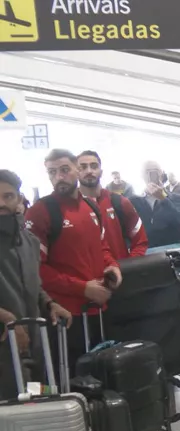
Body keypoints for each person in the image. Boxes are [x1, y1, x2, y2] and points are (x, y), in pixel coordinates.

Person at [25, 149, 124, 379]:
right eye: (52, 172)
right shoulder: (40, 212)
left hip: (98, 312)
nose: (59, 176)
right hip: (65, 317)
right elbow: (36, 269)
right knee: (71, 384)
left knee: (102, 380)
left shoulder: (91, 207)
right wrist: (82, 288)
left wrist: (113, 267)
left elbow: (103, 248)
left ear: (77, 170)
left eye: (64, 170)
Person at [0, 170, 73, 399]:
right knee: (9, 411)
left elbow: (33, 283)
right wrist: (7, 319)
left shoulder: (28, 241)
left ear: (20, 199)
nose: (1, 203)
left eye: (8, 196)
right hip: (4, 345)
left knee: (35, 400)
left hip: (33, 342)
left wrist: (50, 303)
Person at [77, 151, 149, 259]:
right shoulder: (67, 208)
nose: (89, 171)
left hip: (120, 272)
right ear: (76, 172)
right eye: (83, 167)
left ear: (101, 172)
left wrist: (129, 268)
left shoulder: (120, 202)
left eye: (94, 166)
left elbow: (140, 241)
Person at [130, 161, 180, 249]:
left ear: (161, 173)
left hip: (173, 249)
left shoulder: (177, 198)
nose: (151, 174)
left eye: (155, 170)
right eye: (147, 172)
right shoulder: (133, 201)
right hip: (146, 252)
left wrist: (163, 198)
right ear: (142, 176)